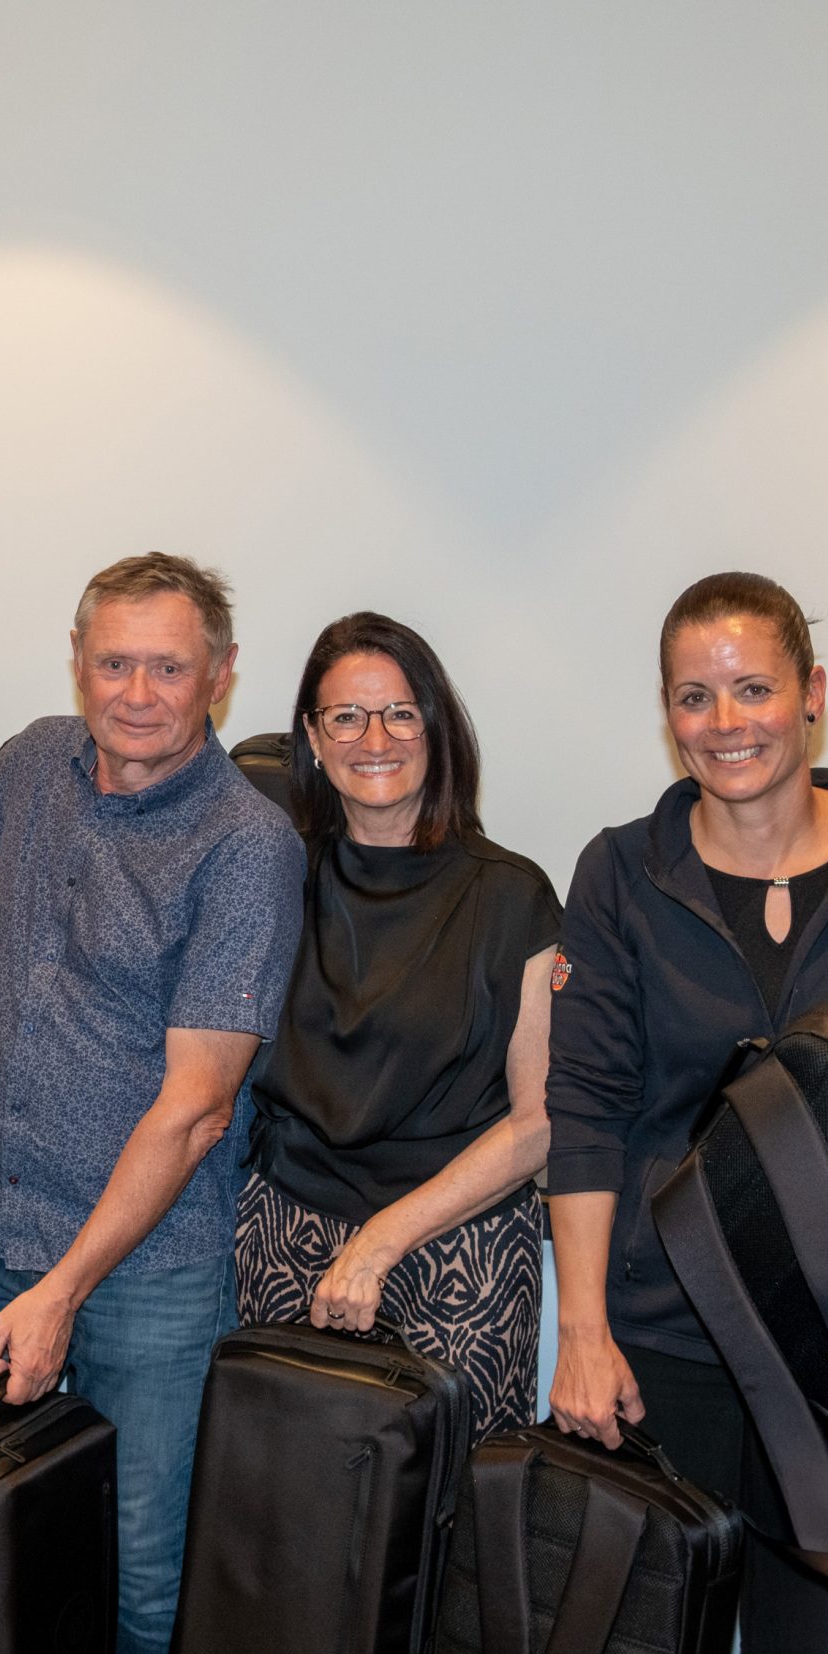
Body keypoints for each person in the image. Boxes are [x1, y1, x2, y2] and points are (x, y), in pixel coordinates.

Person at [0, 551, 303, 1654]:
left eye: (167, 667)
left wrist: (64, 1289)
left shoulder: (247, 846)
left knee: (142, 1572)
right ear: (77, 661)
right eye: (114, 662)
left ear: (220, 674)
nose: (137, 693)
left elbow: (197, 1109)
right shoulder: (29, 765)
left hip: (147, 1271)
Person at [547, 572, 828, 1654]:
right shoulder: (622, 871)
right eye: (694, 696)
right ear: (667, 711)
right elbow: (586, 1109)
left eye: (754, 688)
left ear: (811, 692)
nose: (725, 722)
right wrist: (582, 1331)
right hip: (665, 1339)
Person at [234, 612, 559, 1441]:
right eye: (346, 716)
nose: (374, 738)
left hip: (460, 1252)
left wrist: (382, 1239)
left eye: (400, 713)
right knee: (280, 1500)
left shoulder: (511, 895)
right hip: (285, 1237)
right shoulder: (273, 875)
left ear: (435, 728)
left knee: (451, 1507)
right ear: (312, 737)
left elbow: (536, 1123)